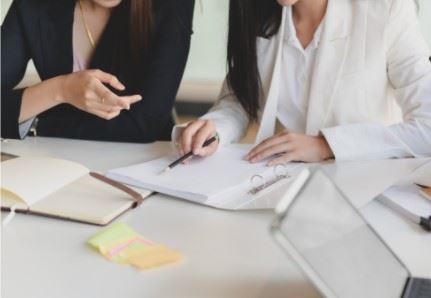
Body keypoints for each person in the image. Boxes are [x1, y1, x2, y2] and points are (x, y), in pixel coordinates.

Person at [176, 0, 431, 165]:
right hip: (284, 189)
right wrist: (216, 129)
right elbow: (240, 98)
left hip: (366, 195)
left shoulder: (387, 9)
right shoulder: (258, 13)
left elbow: (427, 127)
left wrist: (326, 145)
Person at [1, 0, 194, 142]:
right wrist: (60, 89)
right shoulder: (34, 5)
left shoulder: (171, 4)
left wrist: (33, 122)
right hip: (57, 163)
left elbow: (145, 124)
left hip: (142, 167)